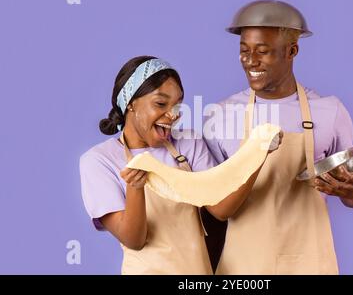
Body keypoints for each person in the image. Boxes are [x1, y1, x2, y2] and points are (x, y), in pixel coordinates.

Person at [203, 0, 353, 274]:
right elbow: (212, 205)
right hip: (244, 267)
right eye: (244, 51)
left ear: (292, 50)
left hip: (311, 262)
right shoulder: (220, 115)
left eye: (263, 51)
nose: (250, 61)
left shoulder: (330, 111)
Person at [79, 55, 270, 274]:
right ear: (131, 104)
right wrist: (135, 187)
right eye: (161, 103)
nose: (173, 115)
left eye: (178, 105)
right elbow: (134, 240)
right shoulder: (100, 160)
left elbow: (221, 209)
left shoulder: (188, 143)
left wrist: (258, 154)